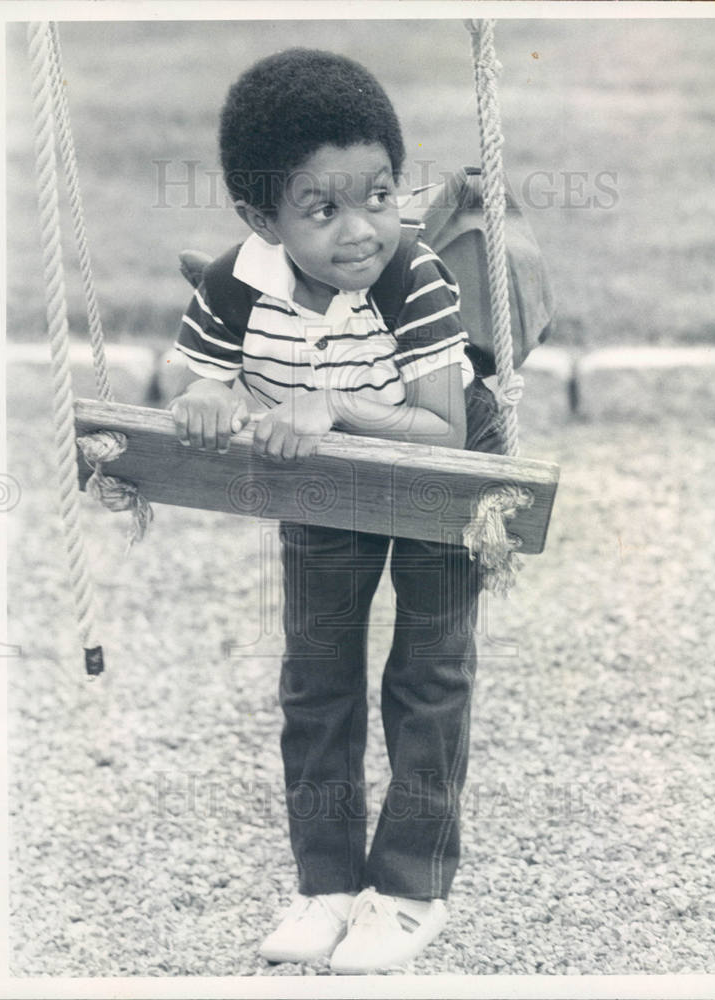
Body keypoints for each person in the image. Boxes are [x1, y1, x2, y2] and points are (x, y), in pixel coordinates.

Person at [171, 48, 504, 974]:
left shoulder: (411, 276)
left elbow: (439, 428)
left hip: (439, 457)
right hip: (325, 467)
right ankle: (325, 884)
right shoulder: (235, 285)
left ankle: (409, 890)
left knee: (427, 673)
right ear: (262, 221)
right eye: (323, 210)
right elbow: (207, 377)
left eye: (381, 196)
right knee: (316, 675)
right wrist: (205, 398)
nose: (362, 232)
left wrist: (331, 405)